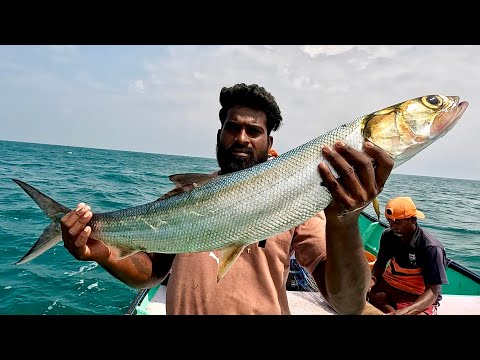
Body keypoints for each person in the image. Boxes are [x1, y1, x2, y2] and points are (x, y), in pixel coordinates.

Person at [60, 83, 394, 315]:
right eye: (232, 128)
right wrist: (101, 252)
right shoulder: (182, 198)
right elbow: (149, 272)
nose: (242, 138)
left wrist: (346, 219)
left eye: (254, 131)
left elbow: (348, 303)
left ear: (269, 141)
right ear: (219, 135)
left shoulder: (299, 203)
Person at [367, 196, 448, 315]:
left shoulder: (431, 247)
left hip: (417, 293)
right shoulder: (388, 236)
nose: (393, 227)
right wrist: (372, 280)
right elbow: (380, 263)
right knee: (363, 294)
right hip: (391, 284)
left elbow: (432, 291)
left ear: (413, 220)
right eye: (390, 222)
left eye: (398, 222)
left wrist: (407, 311)